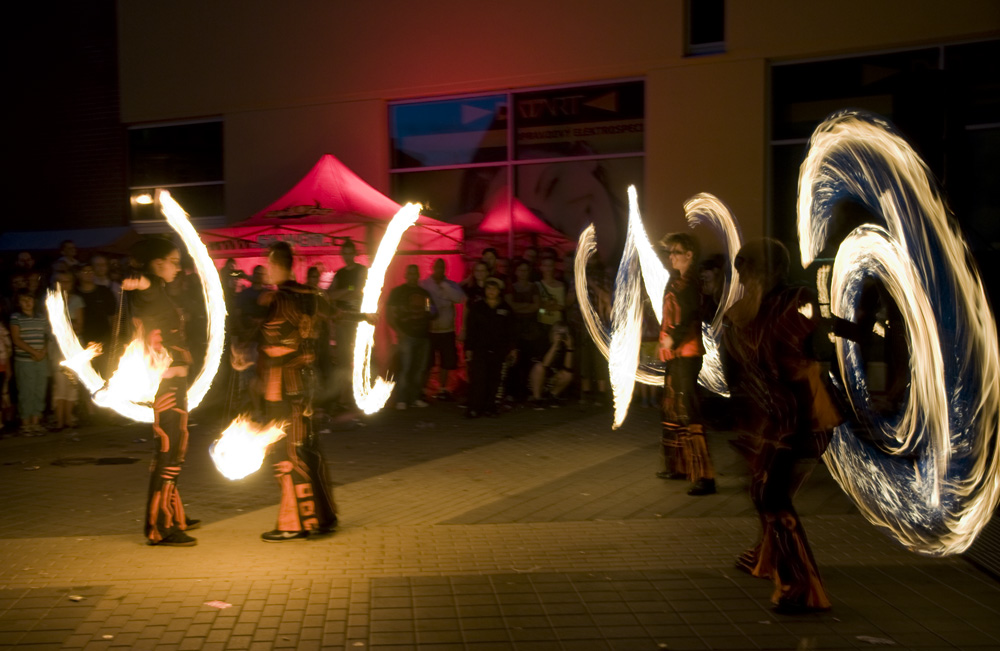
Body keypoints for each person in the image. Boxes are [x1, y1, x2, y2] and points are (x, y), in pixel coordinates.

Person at [723, 238, 841, 614]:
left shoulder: (797, 299)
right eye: (740, 269)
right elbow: (740, 372)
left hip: (805, 416)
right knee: (762, 490)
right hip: (775, 417)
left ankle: (801, 587)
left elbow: (815, 339)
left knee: (772, 494)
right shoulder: (743, 313)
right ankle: (770, 557)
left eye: (749, 267)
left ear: (772, 270)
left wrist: (858, 331)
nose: (743, 276)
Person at [253, 241, 338, 542]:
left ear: (278, 264)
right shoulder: (311, 295)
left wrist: (257, 357)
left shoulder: (281, 300)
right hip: (307, 383)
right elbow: (336, 314)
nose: (266, 270)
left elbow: (278, 343)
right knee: (308, 448)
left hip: (285, 386)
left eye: (269, 264)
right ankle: (323, 517)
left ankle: (296, 522)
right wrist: (365, 317)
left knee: (288, 451)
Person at [122, 238, 199, 547]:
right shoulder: (152, 291)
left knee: (173, 449)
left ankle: (174, 514)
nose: (178, 267)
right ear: (157, 264)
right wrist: (141, 281)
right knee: (169, 452)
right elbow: (147, 287)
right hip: (167, 387)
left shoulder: (161, 294)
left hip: (173, 386)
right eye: (173, 261)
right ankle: (160, 527)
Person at [657, 232, 716, 496]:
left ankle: (704, 476)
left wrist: (673, 337)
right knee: (672, 408)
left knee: (689, 409)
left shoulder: (691, 284)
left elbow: (692, 314)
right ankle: (679, 466)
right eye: (669, 252)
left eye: (676, 252)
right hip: (674, 354)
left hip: (687, 352)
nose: (671, 257)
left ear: (689, 255)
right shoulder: (676, 281)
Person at [465, 278, 516, 418]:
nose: (491, 291)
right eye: (489, 288)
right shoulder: (477, 307)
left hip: (499, 349)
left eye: (494, 289)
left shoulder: (506, 308)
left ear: (499, 291)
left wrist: (512, 348)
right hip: (480, 348)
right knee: (478, 378)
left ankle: (490, 406)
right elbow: (471, 329)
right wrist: (468, 348)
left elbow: (511, 330)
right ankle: (475, 407)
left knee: (494, 379)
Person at [387, 265, 434, 409]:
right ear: (406, 275)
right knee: (405, 368)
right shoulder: (398, 292)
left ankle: (414, 398)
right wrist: (399, 331)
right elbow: (390, 313)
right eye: (411, 274)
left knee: (419, 369)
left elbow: (429, 311)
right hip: (407, 335)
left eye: (415, 274)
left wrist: (429, 329)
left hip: (423, 336)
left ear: (418, 275)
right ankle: (401, 399)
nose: (413, 276)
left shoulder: (424, 293)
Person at [327, 239, 367, 409]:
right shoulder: (340, 274)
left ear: (354, 253)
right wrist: (348, 290)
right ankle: (346, 396)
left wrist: (344, 292)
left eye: (350, 253)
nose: (347, 256)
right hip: (343, 320)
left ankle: (354, 395)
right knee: (344, 359)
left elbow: (357, 291)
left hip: (356, 319)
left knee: (357, 357)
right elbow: (330, 295)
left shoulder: (361, 270)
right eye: (345, 253)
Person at [421, 258, 465, 400]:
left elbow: (459, 298)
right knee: (428, 361)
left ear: (445, 269)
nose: (440, 270)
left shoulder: (450, 284)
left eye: (442, 267)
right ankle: (424, 390)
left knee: (447, 361)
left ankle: (443, 389)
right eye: (438, 267)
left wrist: (444, 285)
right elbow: (423, 303)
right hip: (430, 329)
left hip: (447, 329)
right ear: (433, 268)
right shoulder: (425, 284)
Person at [10, 289, 49, 435]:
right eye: (23, 300)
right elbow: (16, 339)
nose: (27, 303)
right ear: (18, 303)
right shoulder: (16, 317)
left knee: (39, 390)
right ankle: (25, 423)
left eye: (29, 299)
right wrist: (34, 352)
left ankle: (36, 422)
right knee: (26, 391)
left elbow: (47, 337)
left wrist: (43, 352)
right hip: (25, 360)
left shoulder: (41, 318)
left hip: (41, 360)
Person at [50, 269, 84, 431]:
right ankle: (59, 420)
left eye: (67, 281)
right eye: (61, 281)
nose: (64, 284)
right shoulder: (50, 301)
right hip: (57, 348)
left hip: (74, 348)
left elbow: (79, 326)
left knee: (71, 384)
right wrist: (69, 324)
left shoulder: (77, 300)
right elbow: (51, 327)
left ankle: (69, 418)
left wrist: (64, 325)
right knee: (59, 384)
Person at [505, 260, 541, 402]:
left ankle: (525, 391)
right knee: (514, 362)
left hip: (531, 329)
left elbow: (536, 306)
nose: (523, 273)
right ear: (516, 271)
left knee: (527, 361)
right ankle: (512, 392)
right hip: (515, 329)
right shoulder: (511, 287)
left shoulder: (534, 287)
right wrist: (527, 306)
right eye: (520, 270)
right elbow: (511, 307)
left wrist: (519, 307)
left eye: (525, 270)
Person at [75, 262, 117, 378]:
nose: (88, 274)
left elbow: (113, 315)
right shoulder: (75, 294)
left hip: (104, 339)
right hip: (82, 339)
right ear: (78, 274)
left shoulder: (104, 291)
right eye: (85, 271)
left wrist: (114, 337)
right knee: (86, 373)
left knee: (105, 371)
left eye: (91, 271)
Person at [529, 322, 573, 408]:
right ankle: (537, 399)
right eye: (558, 332)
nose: (560, 336)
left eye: (564, 333)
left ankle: (552, 396)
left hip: (550, 380)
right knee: (539, 368)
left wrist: (570, 348)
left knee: (568, 375)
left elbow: (568, 368)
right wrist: (555, 345)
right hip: (536, 380)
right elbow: (545, 364)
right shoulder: (543, 343)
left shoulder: (564, 347)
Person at [536, 257, 567, 344]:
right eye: (545, 265)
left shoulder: (561, 285)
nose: (548, 268)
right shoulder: (537, 285)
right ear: (541, 267)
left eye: (550, 266)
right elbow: (538, 307)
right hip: (541, 321)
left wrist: (544, 307)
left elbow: (562, 306)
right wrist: (549, 306)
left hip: (557, 323)